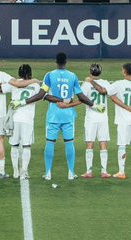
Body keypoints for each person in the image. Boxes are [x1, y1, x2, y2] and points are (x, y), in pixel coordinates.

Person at [41, 52, 92, 181]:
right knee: (69, 142)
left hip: (53, 114)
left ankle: (48, 173)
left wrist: (59, 100)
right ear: (66, 62)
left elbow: (44, 95)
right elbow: (81, 96)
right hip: (68, 115)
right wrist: (92, 104)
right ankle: (71, 173)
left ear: (56, 62)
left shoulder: (49, 75)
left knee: (50, 142)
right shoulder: (72, 76)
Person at [3, 64, 46, 179]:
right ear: (30, 73)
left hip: (15, 118)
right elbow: (42, 95)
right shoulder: (35, 84)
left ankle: (15, 172)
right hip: (27, 119)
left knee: (14, 145)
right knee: (26, 146)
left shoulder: (14, 83)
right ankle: (24, 172)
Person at [80, 64, 113, 179]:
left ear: (90, 72)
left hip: (90, 117)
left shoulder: (86, 84)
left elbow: (82, 98)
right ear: (100, 72)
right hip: (103, 117)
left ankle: (89, 171)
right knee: (103, 142)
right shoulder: (106, 83)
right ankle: (104, 171)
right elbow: (106, 93)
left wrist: (90, 81)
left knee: (90, 143)